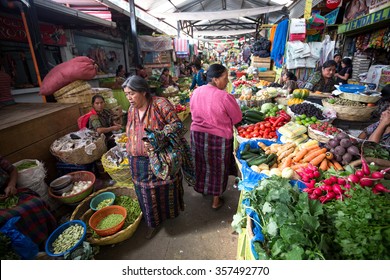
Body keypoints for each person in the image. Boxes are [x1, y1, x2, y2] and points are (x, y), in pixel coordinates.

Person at [122, 75, 194, 239]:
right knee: (144, 193)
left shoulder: (160, 104)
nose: (129, 98)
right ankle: (152, 223)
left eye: (132, 93)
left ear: (143, 91)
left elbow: (178, 125)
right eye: (126, 94)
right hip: (138, 162)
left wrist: (158, 137)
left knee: (166, 188)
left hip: (161, 158)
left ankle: (170, 216)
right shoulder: (132, 109)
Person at [190, 64, 242, 210]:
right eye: (225, 78)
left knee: (201, 164)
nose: (227, 82)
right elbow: (237, 118)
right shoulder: (224, 96)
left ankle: (204, 190)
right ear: (215, 79)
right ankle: (215, 201)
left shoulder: (196, 92)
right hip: (218, 137)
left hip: (197, 134)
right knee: (217, 168)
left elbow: (192, 111)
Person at [0, 155, 56, 251]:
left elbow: (13, 170)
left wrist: (11, 185)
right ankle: (31, 249)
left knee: (35, 202)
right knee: (8, 218)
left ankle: (50, 237)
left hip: (9, 193)